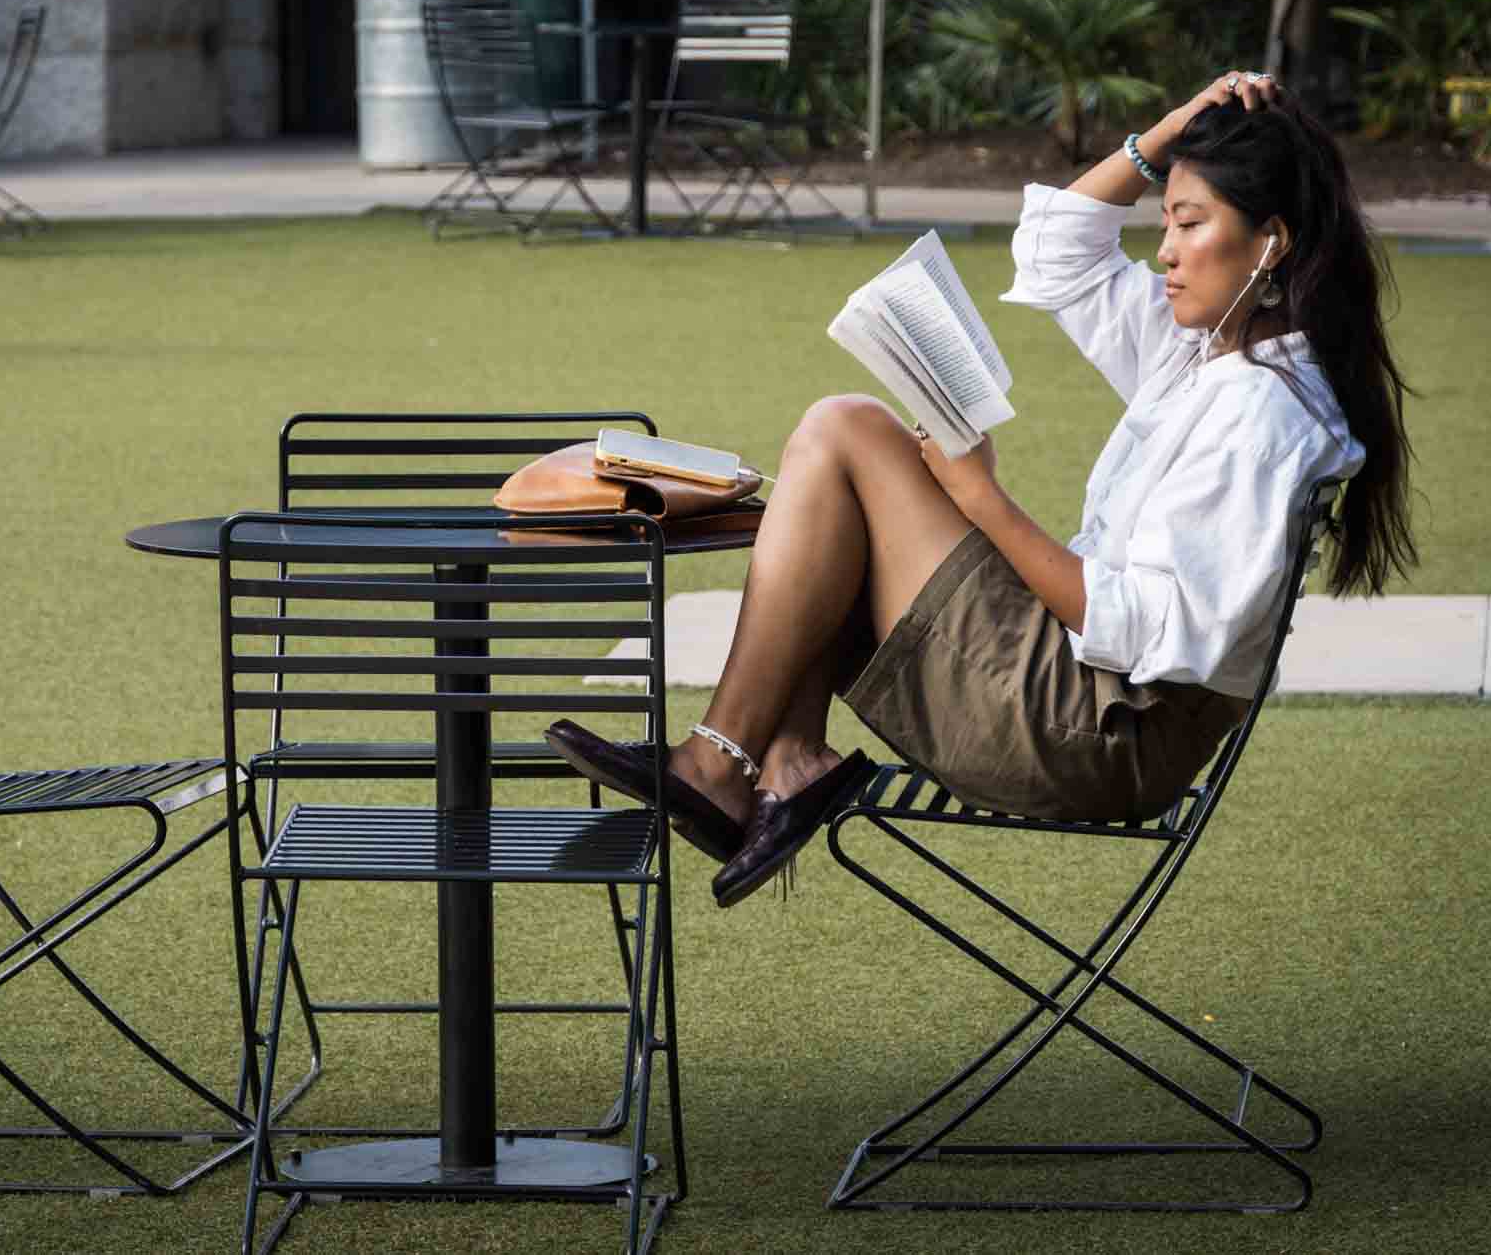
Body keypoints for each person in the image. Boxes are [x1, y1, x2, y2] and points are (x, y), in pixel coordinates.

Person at [546, 70, 1417, 908]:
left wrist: (980, 499)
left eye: (1191, 224)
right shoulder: (1209, 349)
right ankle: (784, 759)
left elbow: (1145, 629)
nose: (1166, 252)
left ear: (1270, 241)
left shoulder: (1262, 415)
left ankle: (721, 763)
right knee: (842, 452)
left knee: (844, 429)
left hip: (1101, 730)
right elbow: (1056, 250)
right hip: (1078, 692)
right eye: (1167, 221)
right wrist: (1176, 127)